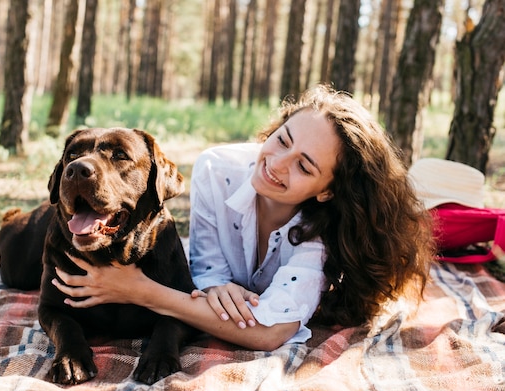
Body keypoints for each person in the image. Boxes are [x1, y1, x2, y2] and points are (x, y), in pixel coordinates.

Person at [52, 85, 434, 351]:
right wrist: (215, 287)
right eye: (283, 140)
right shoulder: (217, 169)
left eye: (304, 165)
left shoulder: (323, 233)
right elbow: (206, 274)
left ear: (327, 189)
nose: (277, 165)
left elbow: (269, 331)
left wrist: (136, 289)